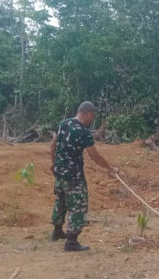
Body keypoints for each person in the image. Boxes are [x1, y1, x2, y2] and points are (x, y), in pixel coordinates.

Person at [50, 101, 119, 251]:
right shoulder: (83, 131)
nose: (91, 120)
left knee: (60, 201)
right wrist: (109, 168)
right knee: (78, 206)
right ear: (88, 113)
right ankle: (72, 242)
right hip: (74, 176)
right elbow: (94, 155)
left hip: (59, 172)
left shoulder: (63, 124)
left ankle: (56, 232)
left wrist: (53, 163)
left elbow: (52, 145)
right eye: (92, 117)